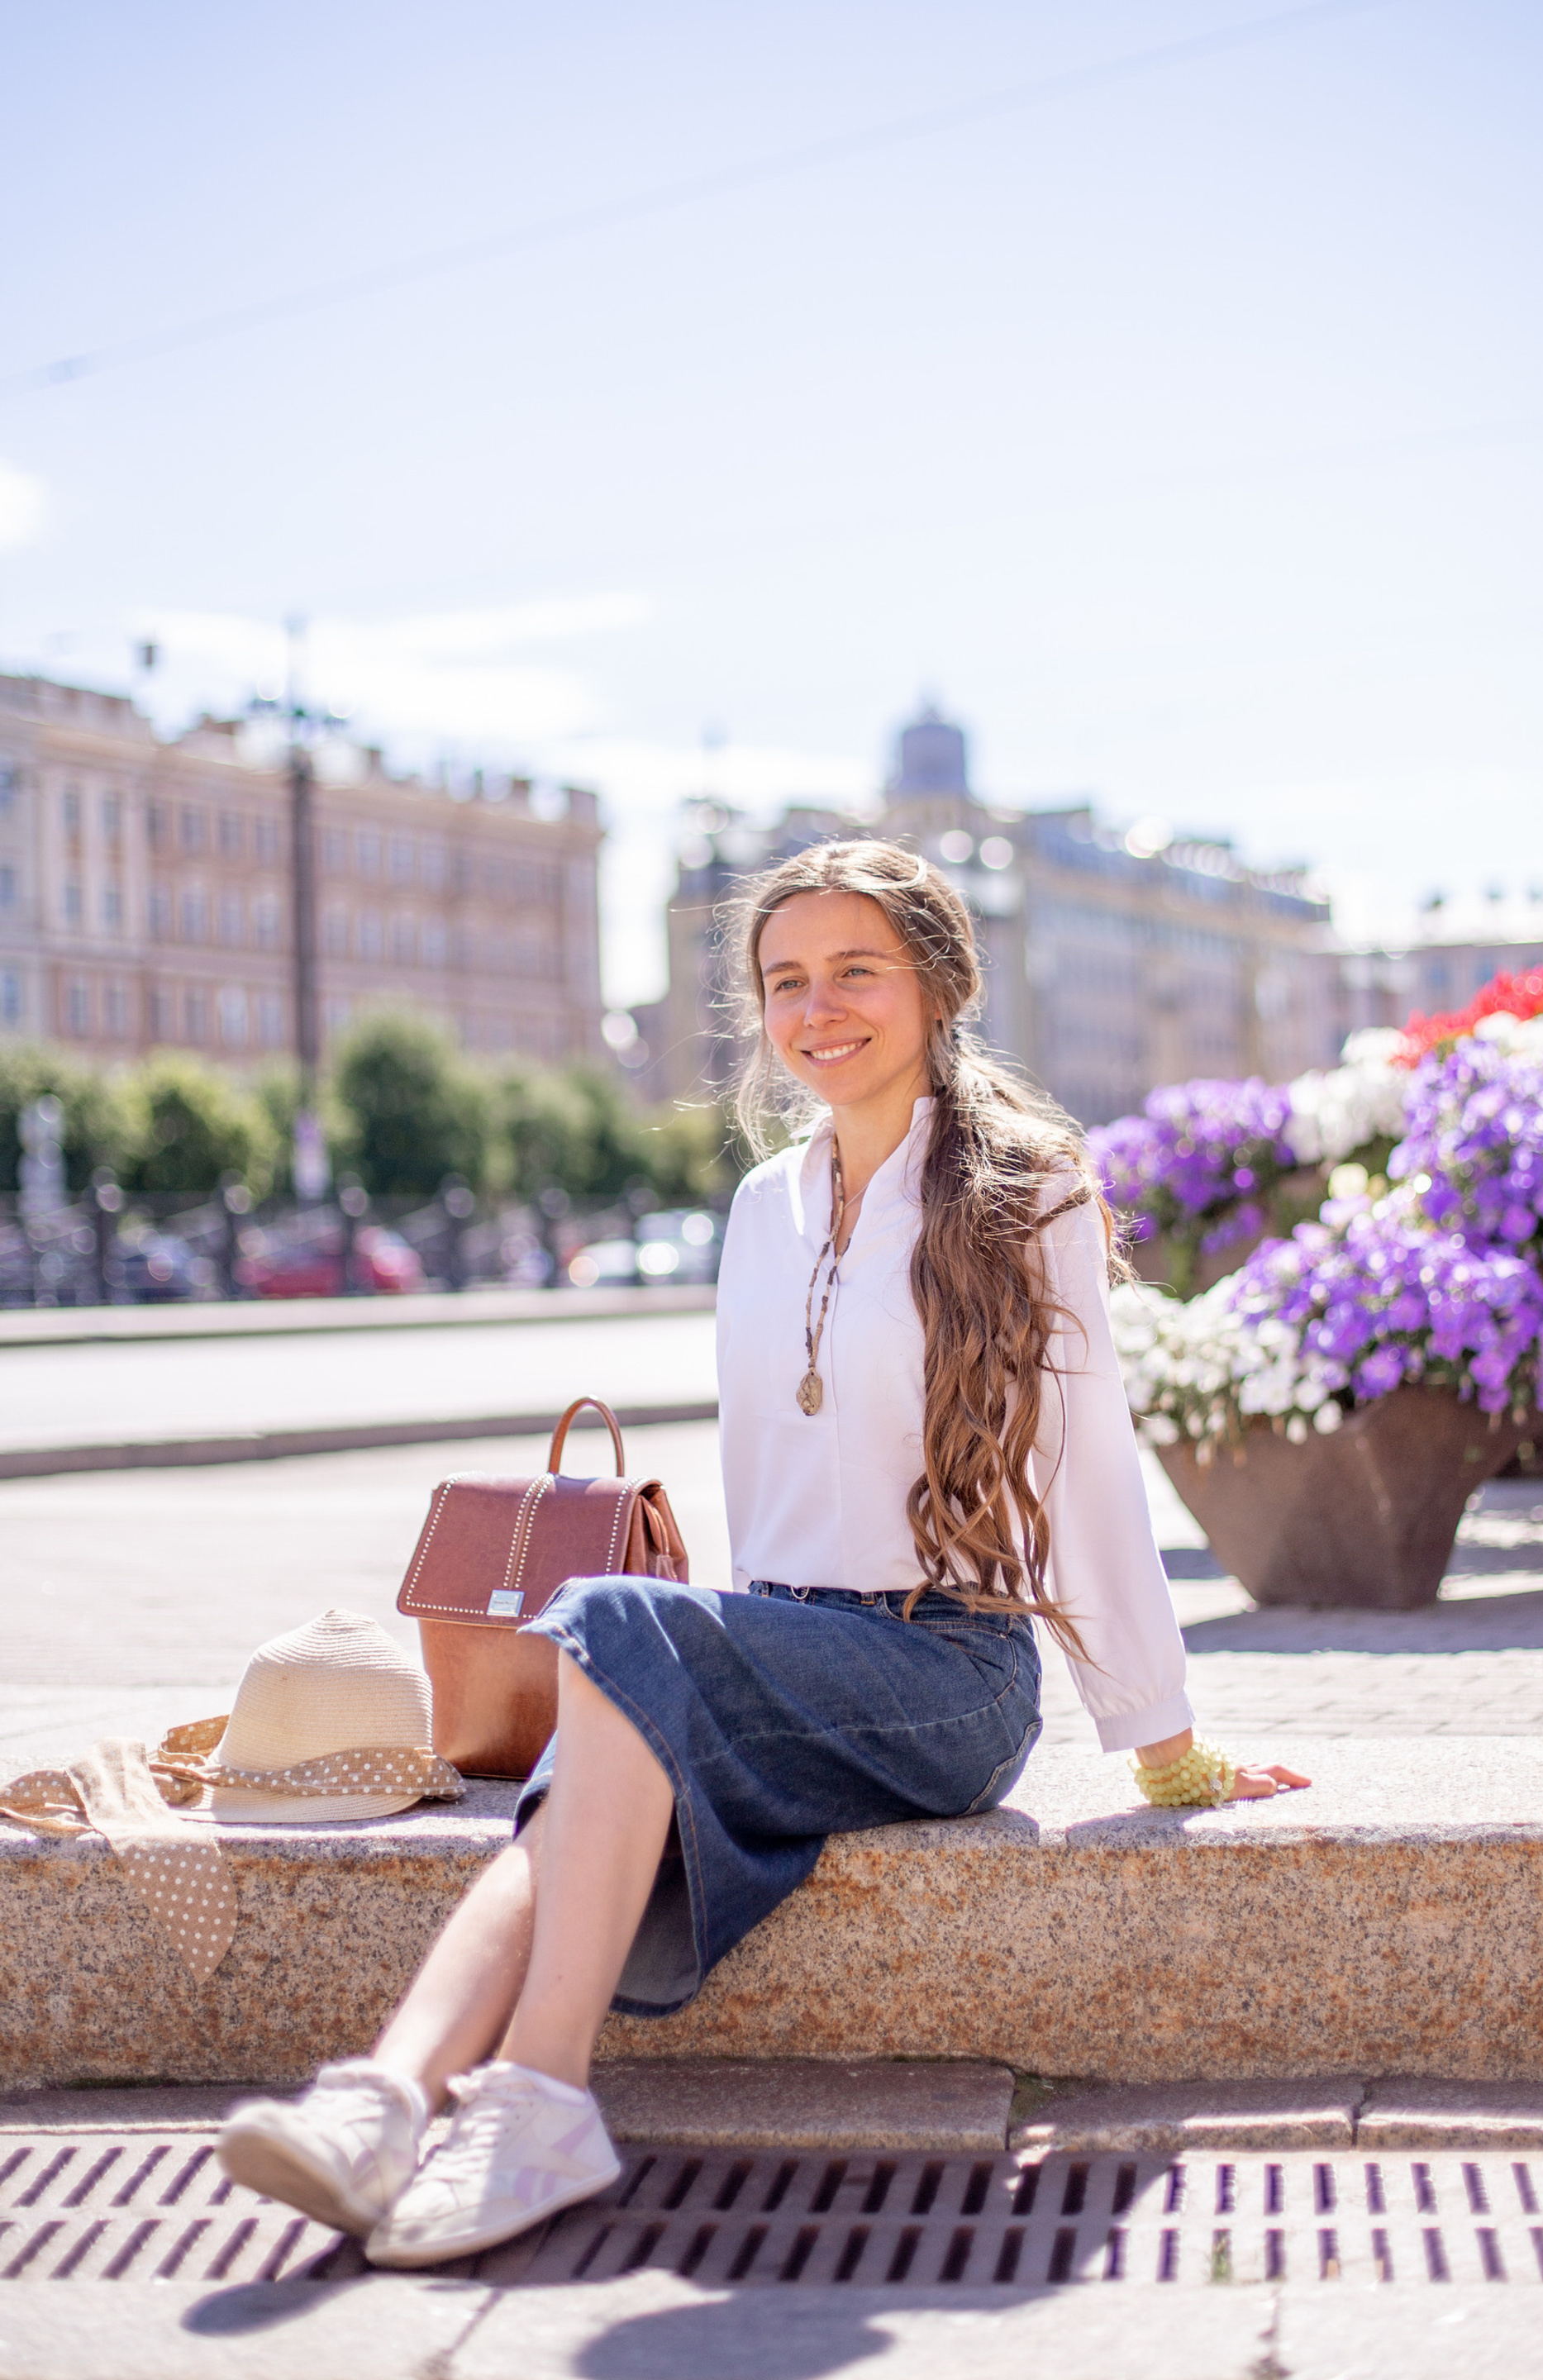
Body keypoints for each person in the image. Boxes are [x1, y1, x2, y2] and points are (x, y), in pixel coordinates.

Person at [219, 838, 1307, 2267]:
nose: (818, 1007)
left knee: (616, 1622)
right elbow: (763, 1473)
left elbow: (1088, 1472)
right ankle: (386, 2101)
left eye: (856, 969)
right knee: (601, 1727)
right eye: (786, 981)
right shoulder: (758, 1208)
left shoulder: (1025, 1190)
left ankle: (537, 2099)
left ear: (936, 983)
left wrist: (1159, 1742)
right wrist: (702, 1674)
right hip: (787, 1641)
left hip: (948, 1669)